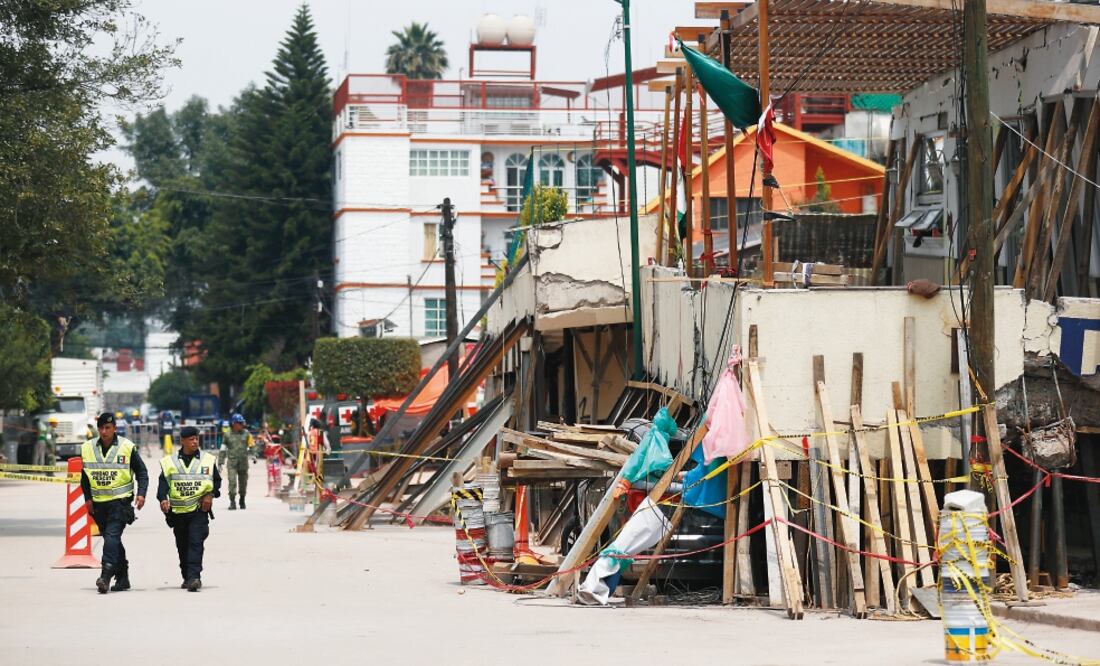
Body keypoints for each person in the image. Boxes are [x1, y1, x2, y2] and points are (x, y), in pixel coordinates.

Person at [80, 412, 148, 594]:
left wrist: (141, 494)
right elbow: (84, 477)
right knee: (113, 540)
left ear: (115, 428)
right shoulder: (87, 447)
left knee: (111, 537)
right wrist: (87, 498)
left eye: (107, 428)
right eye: (101, 428)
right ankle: (123, 577)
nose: (104, 431)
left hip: (121, 502)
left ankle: (106, 574)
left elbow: (142, 472)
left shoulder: (127, 447)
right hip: (98, 504)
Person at [158, 426, 219, 591]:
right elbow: (162, 484)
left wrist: (210, 495)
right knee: (182, 545)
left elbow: (217, 481)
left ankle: (194, 577)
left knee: (195, 543)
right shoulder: (170, 462)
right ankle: (187, 575)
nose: (195, 442)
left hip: (198, 511)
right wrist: (163, 499)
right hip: (177, 513)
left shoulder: (207, 460)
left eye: (196, 438)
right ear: (182, 441)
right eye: (191, 439)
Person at [219, 413, 253, 510]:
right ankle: (232, 501)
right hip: (232, 463)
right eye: (240, 423)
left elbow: (252, 445)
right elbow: (223, 449)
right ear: (234, 423)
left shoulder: (246, 434)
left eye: (242, 423)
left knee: (243, 483)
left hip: (243, 463)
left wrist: (254, 454)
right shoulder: (227, 434)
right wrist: (220, 462)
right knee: (232, 482)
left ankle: (242, 500)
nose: (242, 425)